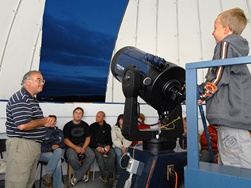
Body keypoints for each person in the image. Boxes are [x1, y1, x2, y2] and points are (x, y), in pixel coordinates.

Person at [198, 8, 251, 169]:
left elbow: (219, 76)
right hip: (234, 120)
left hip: (232, 120)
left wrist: (201, 95)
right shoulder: (236, 51)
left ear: (226, 29)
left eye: (215, 27)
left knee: (236, 169)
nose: (213, 33)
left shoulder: (225, 45)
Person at [5, 70, 54, 188]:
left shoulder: (31, 99)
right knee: (18, 183)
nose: (42, 83)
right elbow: (23, 125)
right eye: (39, 80)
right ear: (27, 82)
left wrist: (44, 124)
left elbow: (31, 121)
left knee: (28, 183)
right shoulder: (21, 98)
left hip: (31, 146)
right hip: (22, 146)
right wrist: (43, 121)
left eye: (43, 80)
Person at [63, 107, 95, 186]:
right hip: (71, 146)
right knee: (71, 158)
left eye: (80, 113)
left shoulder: (85, 125)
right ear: (73, 114)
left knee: (92, 155)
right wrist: (75, 147)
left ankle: (77, 176)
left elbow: (88, 138)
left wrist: (83, 148)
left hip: (83, 145)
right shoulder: (68, 125)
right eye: (76, 113)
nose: (78, 115)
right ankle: (82, 174)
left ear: (82, 115)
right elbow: (65, 140)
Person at [39, 115, 66, 188]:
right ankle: (58, 185)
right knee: (58, 160)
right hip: (42, 154)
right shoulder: (42, 131)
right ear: (47, 121)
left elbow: (63, 144)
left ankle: (48, 175)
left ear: (56, 122)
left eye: (54, 121)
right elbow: (40, 147)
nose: (52, 122)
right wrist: (51, 148)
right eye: (50, 120)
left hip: (55, 153)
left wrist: (58, 146)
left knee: (59, 150)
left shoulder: (59, 132)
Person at [90, 111, 115, 184]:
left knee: (113, 155)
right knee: (99, 156)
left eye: (98, 117)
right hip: (96, 146)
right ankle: (104, 175)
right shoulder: (92, 126)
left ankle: (108, 175)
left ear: (103, 118)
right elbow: (91, 140)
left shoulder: (107, 127)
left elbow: (110, 139)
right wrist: (97, 147)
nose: (96, 118)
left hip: (105, 145)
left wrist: (109, 146)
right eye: (96, 116)